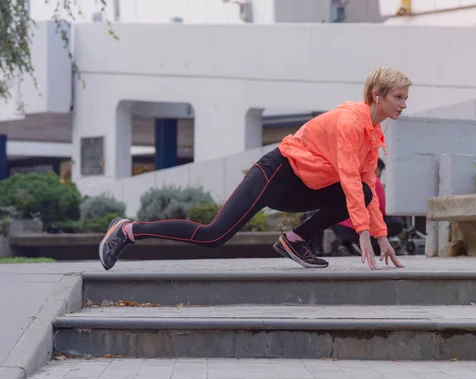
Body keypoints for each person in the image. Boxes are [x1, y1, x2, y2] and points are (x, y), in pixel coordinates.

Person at [99, 67, 411, 271]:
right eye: (398, 97)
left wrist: (381, 235)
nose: (403, 104)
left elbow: (364, 183)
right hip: (276, 173)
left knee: (365, 188)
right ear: (376, 96)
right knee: (212, 236)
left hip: (302, 186)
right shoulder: (351, 121)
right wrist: (363, 232)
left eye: (405, 98)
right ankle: (128, 230)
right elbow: (347, 176)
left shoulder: (373, 133)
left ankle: (296, 240)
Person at [332, 157, 405, 255]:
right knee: (396, 223)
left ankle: (346, 245)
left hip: (338, 226)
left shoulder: (350, 178)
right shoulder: (375, 181)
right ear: (377, 169)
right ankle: (361, 245)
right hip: (358, 228)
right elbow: (381, 210)